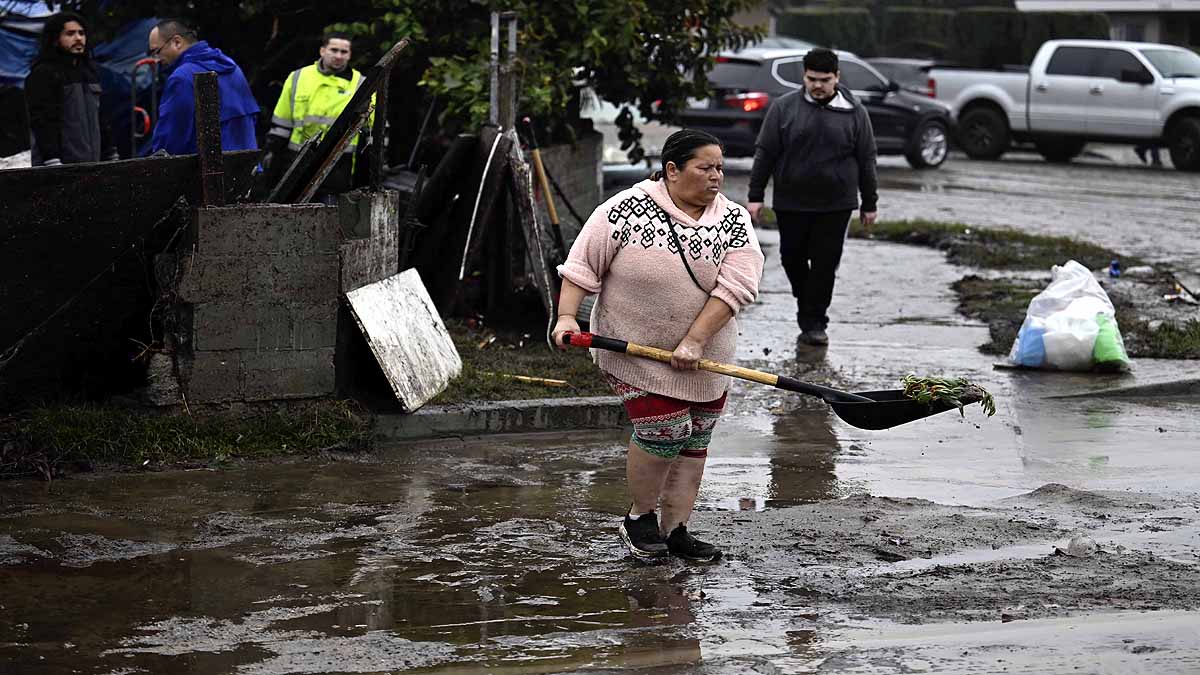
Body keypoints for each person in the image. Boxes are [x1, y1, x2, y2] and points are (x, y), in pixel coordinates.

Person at [552, 129, 764, 562]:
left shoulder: (733, 220)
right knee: (664, 431)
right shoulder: (624, 210)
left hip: (708, 357)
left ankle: (677, 529)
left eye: (720, 168)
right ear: (672, 170)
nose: (716, 177)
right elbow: (581, 266)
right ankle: (639, 518)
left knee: (694, 438)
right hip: (635, 351)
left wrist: (694, 341)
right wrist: (566, 317)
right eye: (705, 167)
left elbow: (737, 287)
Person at [747, 47, 878, 346]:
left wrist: (870, 202)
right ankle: (807, 301)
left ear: (837, 78)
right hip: (791, 201)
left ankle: (814, 322)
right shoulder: (784, 108)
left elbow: (867, 159)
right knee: (791, 259)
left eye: (825, 79)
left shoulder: (855, 112)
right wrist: (755, 195)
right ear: (804, 76)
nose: (818, 85)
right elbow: (765, 153)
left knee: (824, 264)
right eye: (811, 79)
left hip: (836, 203)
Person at [263, 31, 371, 202]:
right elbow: (281, 124)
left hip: (337, 168)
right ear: (322, 51)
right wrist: (271, 156)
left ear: (350, 55)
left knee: (326, 221)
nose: (338, 56)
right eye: (333, 50)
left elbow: (371, 132)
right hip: (296, 163)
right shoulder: (298, 77)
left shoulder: (362, 85)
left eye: (343, 52)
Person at [147, 19, 258, 155]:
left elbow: (169, 143)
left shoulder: (182, 78)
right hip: (247, 167)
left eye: (156, 51)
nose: (156, 59)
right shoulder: (231, 66)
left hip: (208, 172)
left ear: (177, 42)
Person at [24, 12, 117, 167]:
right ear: (55, 40)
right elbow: (43, 121)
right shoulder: (44, 74)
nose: (78, 38)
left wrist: (110, 154)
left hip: (94, 165)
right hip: (57, 167)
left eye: (81, 33)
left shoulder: (90, 73)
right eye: (70, 33)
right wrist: (52, 160)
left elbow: (101, 118)